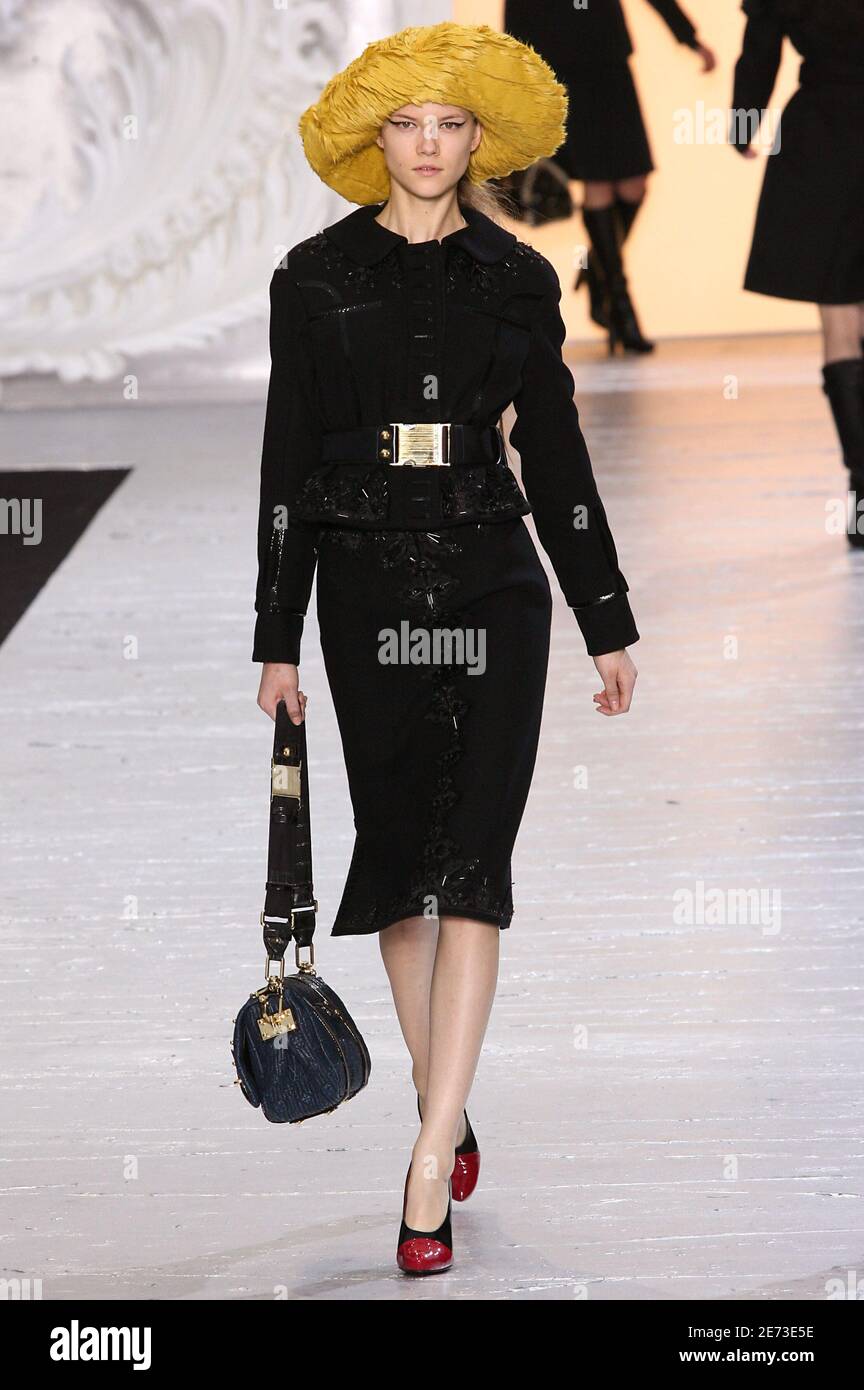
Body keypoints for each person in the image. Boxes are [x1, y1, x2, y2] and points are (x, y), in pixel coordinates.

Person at [252, 21, 639, 1275]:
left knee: (471, 858)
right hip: (363, 586)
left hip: (490, 580)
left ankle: (426, 1165)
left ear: (479, 140)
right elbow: (289, 462)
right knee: (401, 866)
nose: (429, 145)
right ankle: (446, 1094)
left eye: (450, 125)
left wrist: (605, 617)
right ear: (378, 139)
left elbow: (560, 457)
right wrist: (275, 633)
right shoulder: (312, 278)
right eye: (408, 124)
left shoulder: (518, 277)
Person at [504, 0, 716, 353]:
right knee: (598, 184)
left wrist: (689, 38)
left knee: (635, 185)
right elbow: (516, 13)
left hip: (609, 61)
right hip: (558, 69)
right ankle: (620, 308)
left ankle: (600, 276)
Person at [731, 0, 864, 545]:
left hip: (825, 137)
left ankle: (862, 485)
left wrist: (744, 123)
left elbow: (759, 49)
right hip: (824, 134)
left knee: (840, 317)